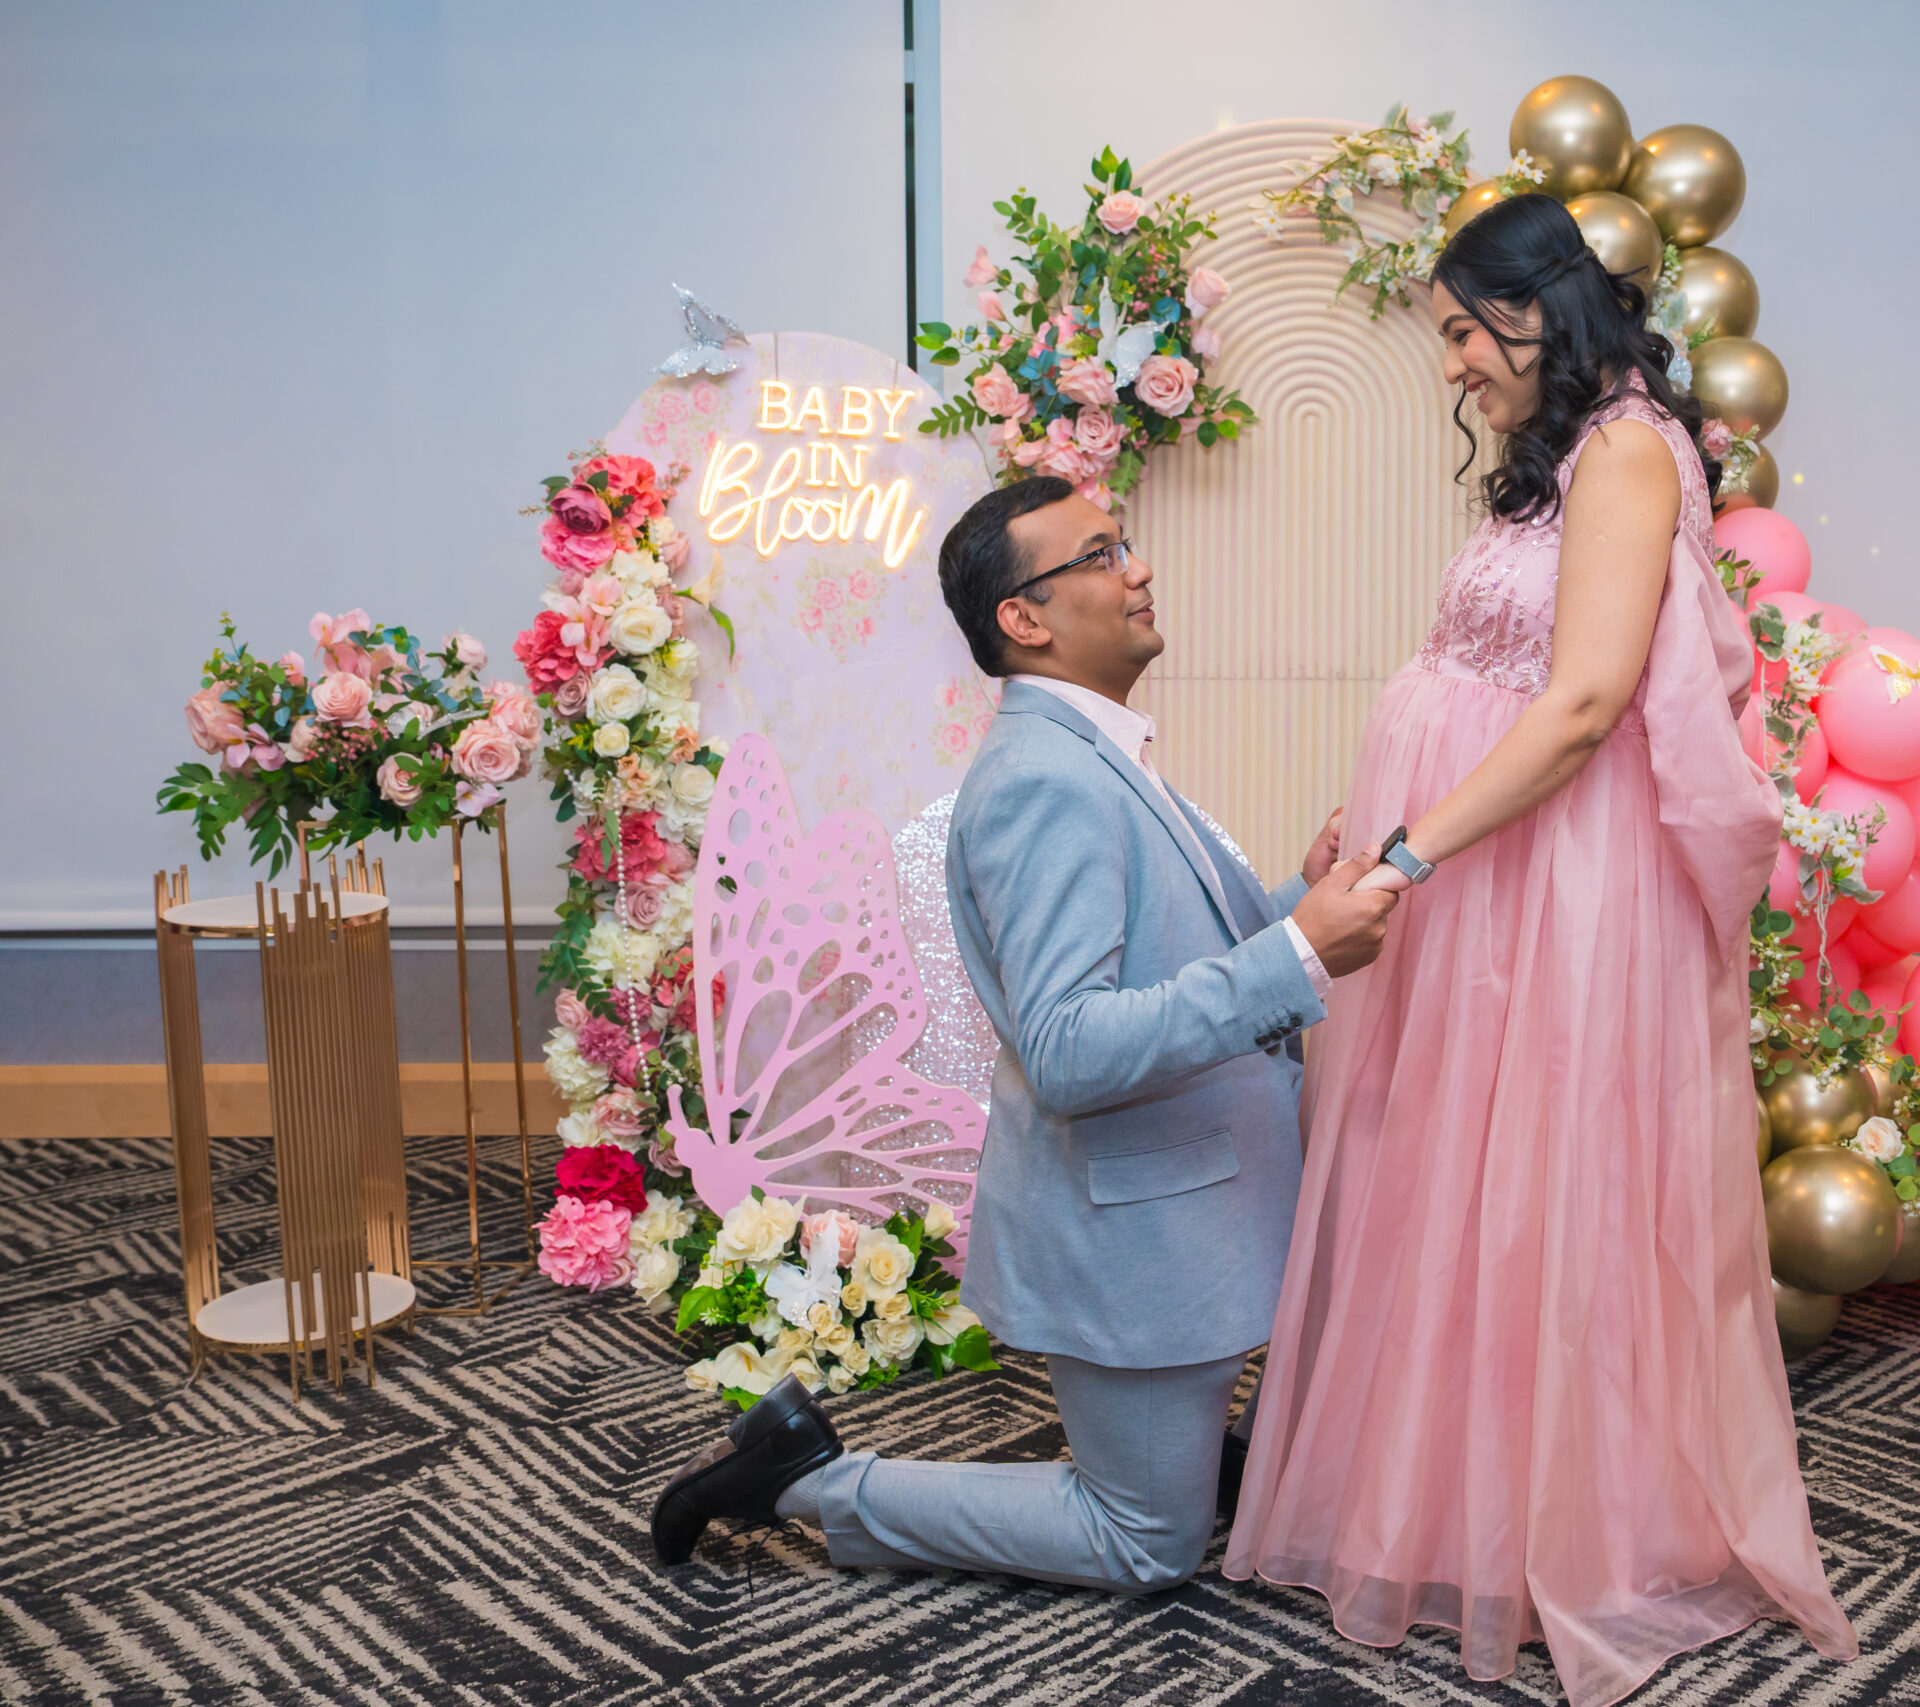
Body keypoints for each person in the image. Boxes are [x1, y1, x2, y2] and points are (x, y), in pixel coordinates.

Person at [1221, 193, 1858, 1703]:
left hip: (1544, 880)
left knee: (1532, 1182)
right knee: (1447, 1169)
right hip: (1477, 863)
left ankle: (1550, 1526)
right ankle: (1436, 1497)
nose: (1451, 364)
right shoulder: (1559, 456)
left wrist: (1412, 847)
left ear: (1534, 311)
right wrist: (1370, 805)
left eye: (1462, 330)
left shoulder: (1628, 450)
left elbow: (1578, 707)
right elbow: (1472, 669)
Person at [653, 475, 1401, 1591]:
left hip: (1188, 1204)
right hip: (1134, 1233)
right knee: (1138, 1540)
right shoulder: (1042, 779)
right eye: (1101, 555)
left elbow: (1163, 954)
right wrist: (1298, 952)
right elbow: (1069, 1047)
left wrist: (1301, 903)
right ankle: (802, 1479)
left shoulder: (1091, 751)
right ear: (1024, 617)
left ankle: (1217, 1462)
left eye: (1123, 545)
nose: (1137, 568)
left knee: (1195, 1481)